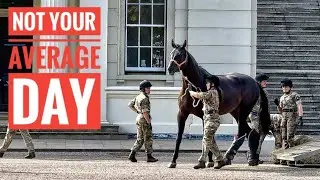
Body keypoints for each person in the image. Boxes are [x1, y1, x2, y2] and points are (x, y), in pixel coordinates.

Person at [189, 75, 225, 169]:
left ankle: (202, 161)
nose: (206, 84)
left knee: (206, 139)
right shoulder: (214, 92)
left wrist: (191, 92)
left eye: (208, 82)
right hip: (209, 118)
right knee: (211, 142)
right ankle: (220, 160)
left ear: (212, 84)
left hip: (212, 119)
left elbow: (201, 95)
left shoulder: (211, 92)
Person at [274, 78, 303, 165]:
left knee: (290, 137)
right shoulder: (282, 97)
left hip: (292, 116)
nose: (284, 88)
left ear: (290, 87)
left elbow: (299, 105)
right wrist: (277, 105)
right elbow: (280, 110)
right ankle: (284, 158)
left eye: (286, 87)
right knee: (284, 138)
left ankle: (291, 159)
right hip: (284, 117)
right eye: (283, 87)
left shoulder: (295, 95)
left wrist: (300, 116)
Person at [127, 80, 158, 163]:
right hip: (144, 119)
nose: (149, 89)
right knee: (148, 138)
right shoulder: (144, 99)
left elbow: (130, 104)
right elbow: (145, 111)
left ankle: (132, 155)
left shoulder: (139, 96)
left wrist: (138, 111)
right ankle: (149, 156)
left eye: (149, 88)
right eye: (147, 88)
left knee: (140, 138)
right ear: (143, 89)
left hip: (139, 118)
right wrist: (148, 121)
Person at [248, 73, 270, 164]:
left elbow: (266, 106)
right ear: (258, 82)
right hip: (254, 116)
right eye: (264, 81)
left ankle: (256, 156)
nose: (266, 83)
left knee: (262, 135)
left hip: (262, 117)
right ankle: (251, 157)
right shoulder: (253, 91)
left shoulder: (265, 92)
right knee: (254, 135)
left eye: (266, 81)